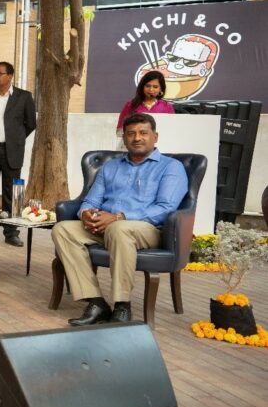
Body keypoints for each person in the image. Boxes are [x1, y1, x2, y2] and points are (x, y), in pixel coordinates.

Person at [52, 113, 187, 325]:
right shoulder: (111, 167)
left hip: (147, 229)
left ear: (155, 136)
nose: (137, 138)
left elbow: (165, 208)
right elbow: (91, 200)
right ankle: (96, 302)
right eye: (131, 133)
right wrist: (86, 213)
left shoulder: (171, 167)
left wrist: (118, 217)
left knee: (119, 229)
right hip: (106, 226)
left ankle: (122, 305)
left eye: (143, 133)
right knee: (63, 229)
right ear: (124, 138)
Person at [0, 61, 36, 247]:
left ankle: (11, 232)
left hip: (12, 151)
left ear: (10, 76)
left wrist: (15, 139)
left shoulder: (24, 97)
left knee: (12, 193)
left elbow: (31, 123)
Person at [116, 70, 174, 136]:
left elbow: (172, 129)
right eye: (148, 86)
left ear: (161, 89)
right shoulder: (130, 105)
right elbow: (120, 130)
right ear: (142, 87)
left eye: (155, 87)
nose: (151, 90)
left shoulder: (167, 106)